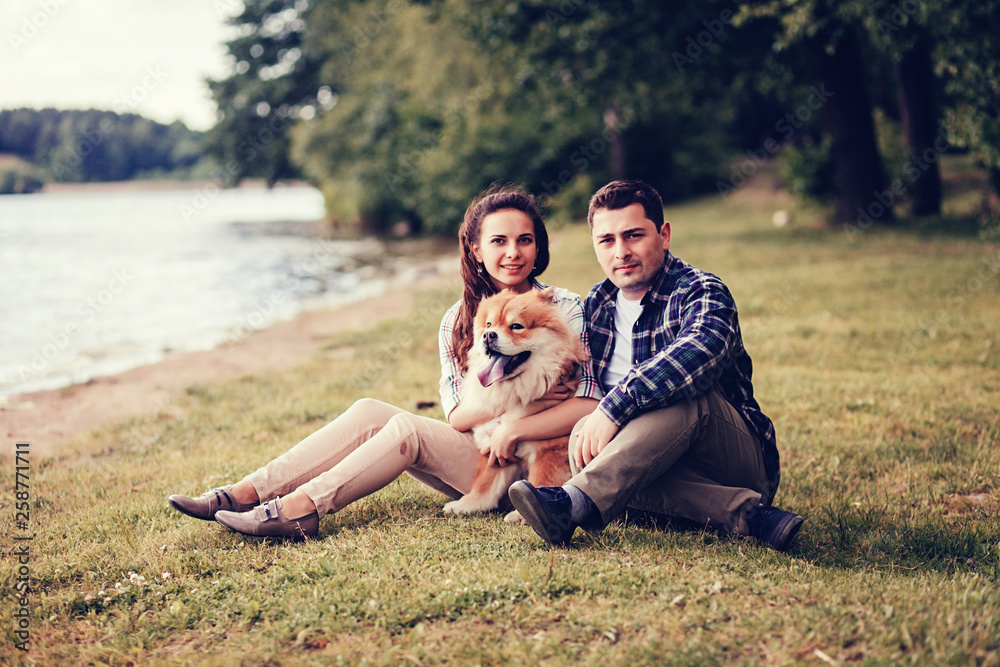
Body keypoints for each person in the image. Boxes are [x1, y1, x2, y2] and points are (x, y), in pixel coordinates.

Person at [168, 185, 601, 539]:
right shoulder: (459, 319)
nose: (513, 253)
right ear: (474, 249)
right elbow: (457, 417)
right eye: (499, 241)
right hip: (479, 449)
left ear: (538, 246)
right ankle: (244, 492)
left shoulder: (563, 306)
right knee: (368, 411)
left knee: (405, 427)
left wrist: (517, 426)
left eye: (524, 240)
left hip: (532, 465)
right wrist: (511, 401)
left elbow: (588, 399)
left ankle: (302, 508)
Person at [508, 180, 804, 550]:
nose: (621, 252)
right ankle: (750, 516)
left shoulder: (701, 290)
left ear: (663, 235)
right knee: (584, 436)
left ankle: (572, 502)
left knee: (681, 397)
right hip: (641, 463)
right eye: (607, 241)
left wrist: (614, 408)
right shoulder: (597, 305)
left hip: (729, 459)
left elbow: (697, 354)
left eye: (633, 235)